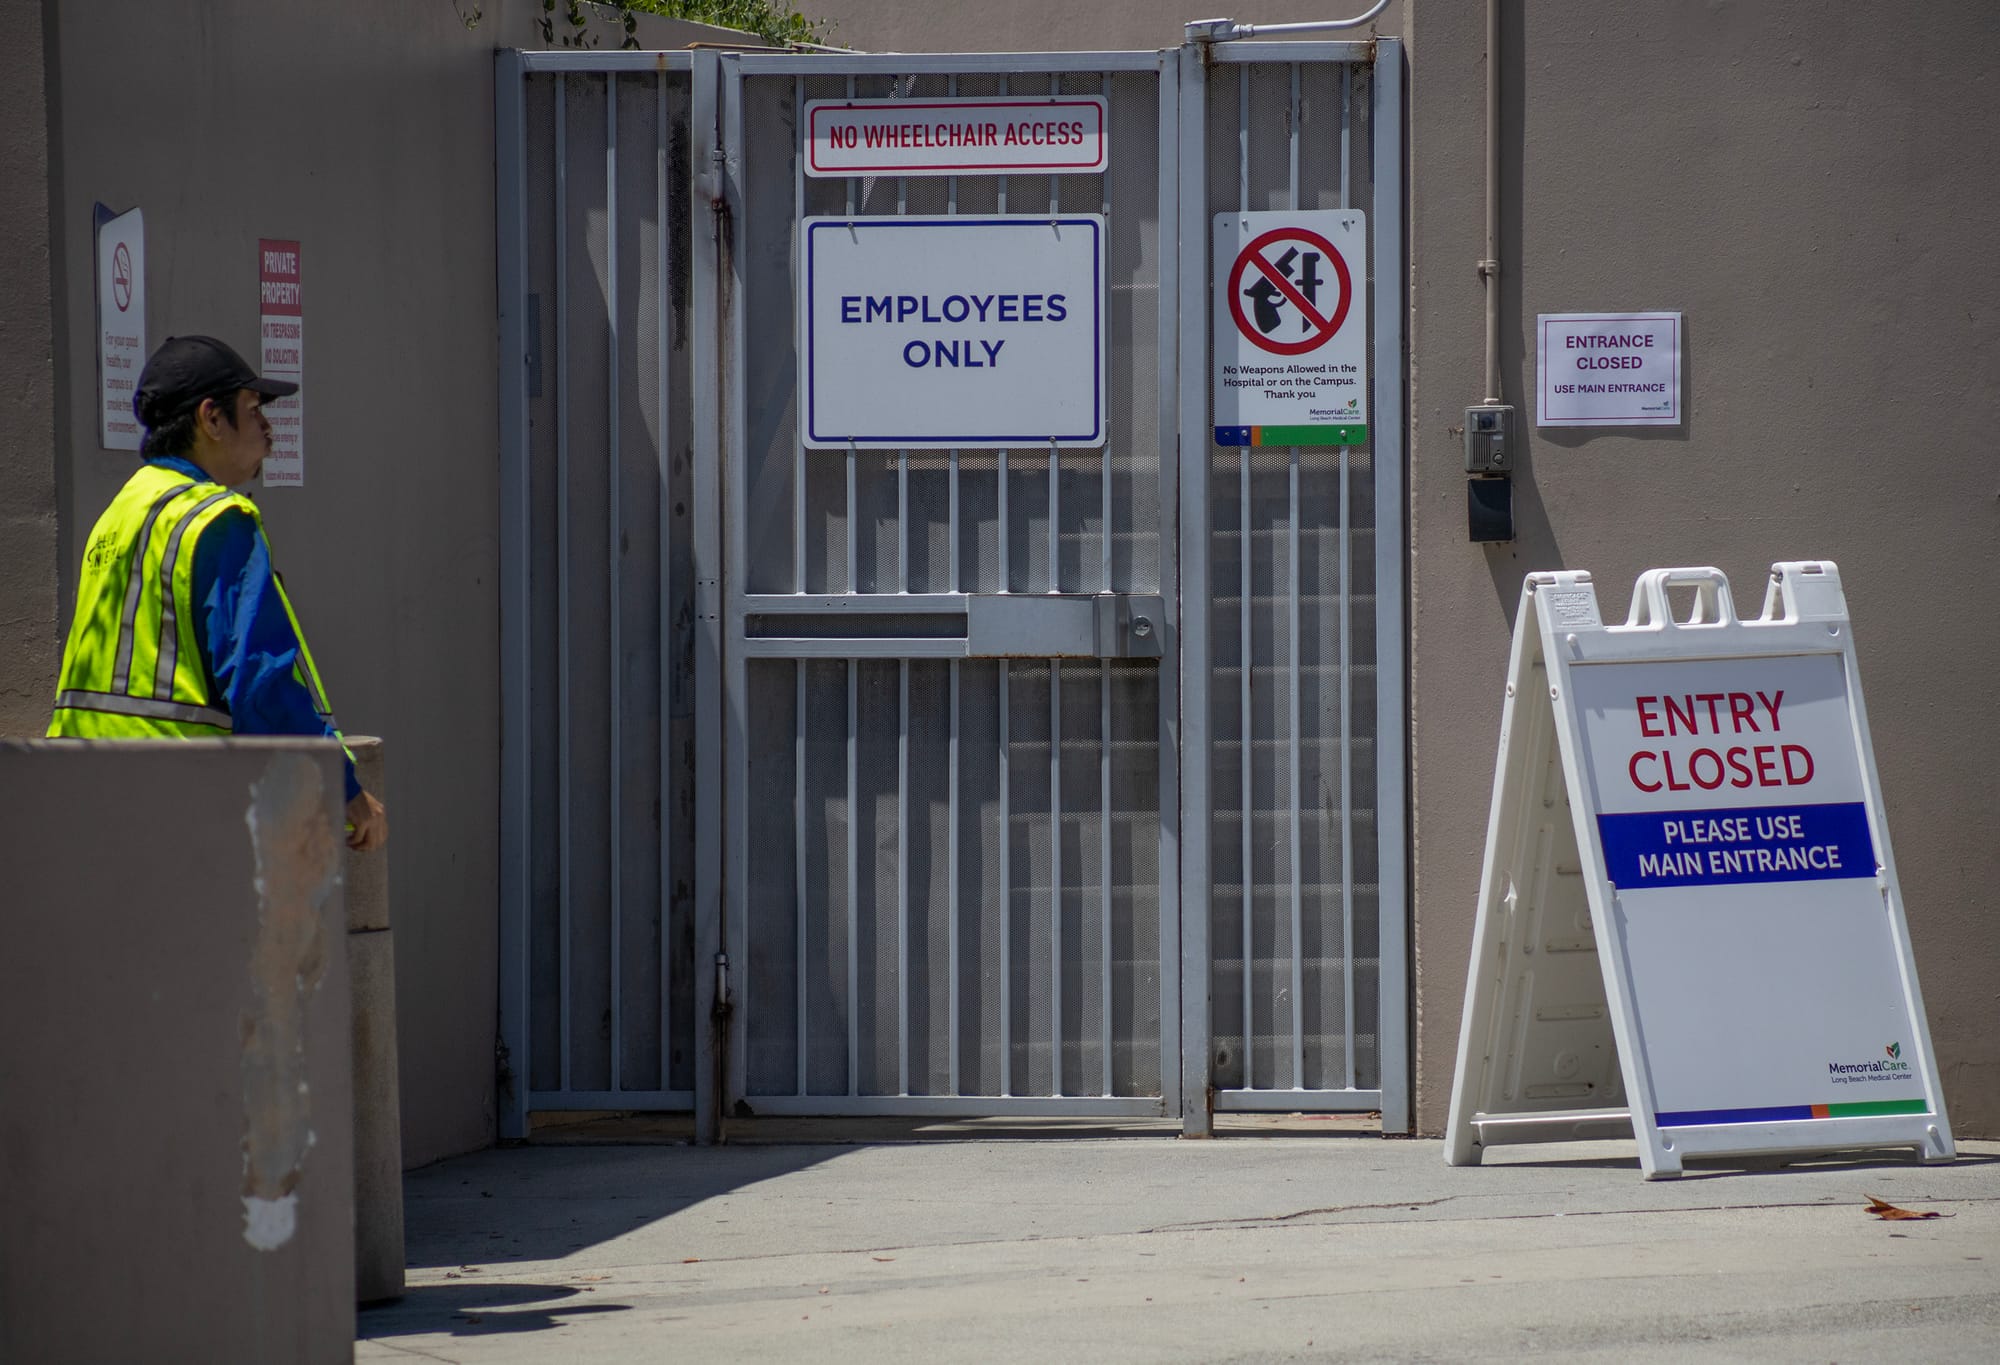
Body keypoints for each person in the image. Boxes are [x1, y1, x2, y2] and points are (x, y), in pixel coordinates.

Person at [47, 334, 388, 851]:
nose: (269, 430)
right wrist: (341, 787)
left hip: (81, 803)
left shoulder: (121, 514)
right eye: (253, 410)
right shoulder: (219, 521)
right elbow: (259, 683)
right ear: (211, 419)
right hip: (181, 809)